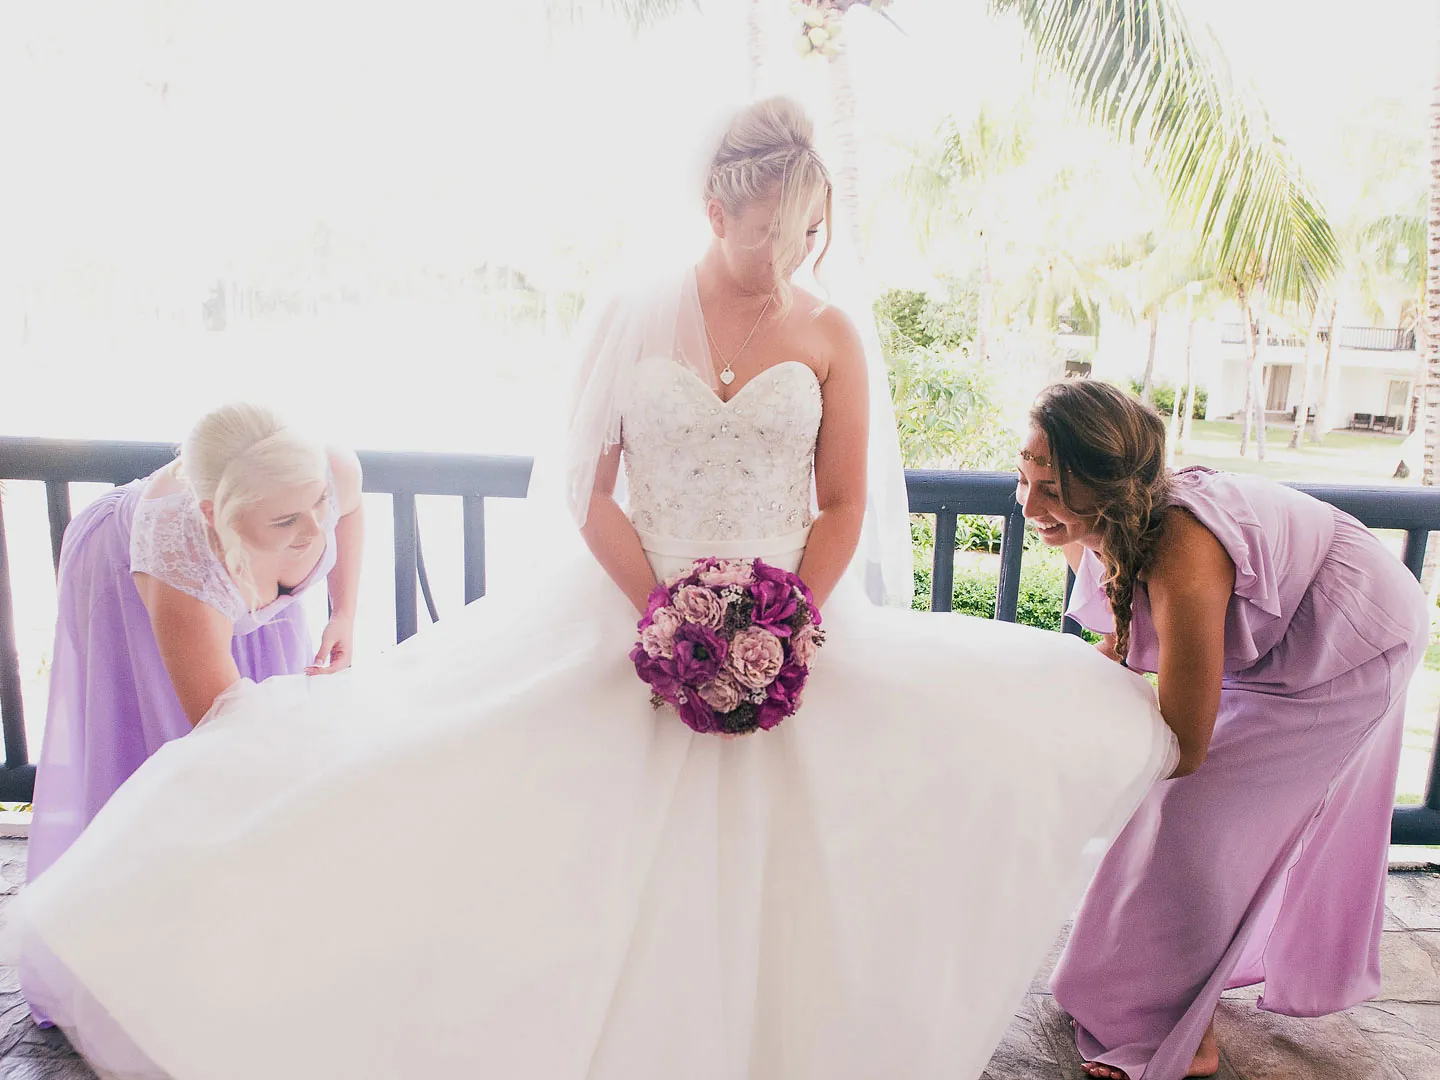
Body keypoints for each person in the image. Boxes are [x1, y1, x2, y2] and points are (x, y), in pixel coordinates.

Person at [11, 99, 1177, 1080]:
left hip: (788, 621)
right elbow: (589, 488)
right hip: (626, 606)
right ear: (715, 208)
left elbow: (841, 503)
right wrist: (671, 613)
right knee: (463, 815)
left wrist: (785, 622)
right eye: (759, 226)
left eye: (800, 230)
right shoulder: (632, 314)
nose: (778, 252)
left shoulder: (833, 335)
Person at [1015, 378, 1428, 1080]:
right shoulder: (1104, 520)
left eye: (1051, 487)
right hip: (1286, 630)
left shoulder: (1182, 546)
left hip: (1350, 639)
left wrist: (1078, 759)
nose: (1029, 505)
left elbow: (1186, 743)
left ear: (1110, 483)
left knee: (1192, 817)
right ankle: (1134, 988)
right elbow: (1128, 626)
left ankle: (1184, 1031)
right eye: (1021, 476)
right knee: (1176, 813)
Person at [23, 402, 363, 1024]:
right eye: (288, 519)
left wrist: (343, 614)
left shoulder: (322, 472)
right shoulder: (177, 555)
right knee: (178, 764)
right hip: (129, 590)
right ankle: (159, 950)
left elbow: (350, 506)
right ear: (217, 515)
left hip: (236, 593)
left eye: (318, 505)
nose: (316, 529)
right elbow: (229, 732)